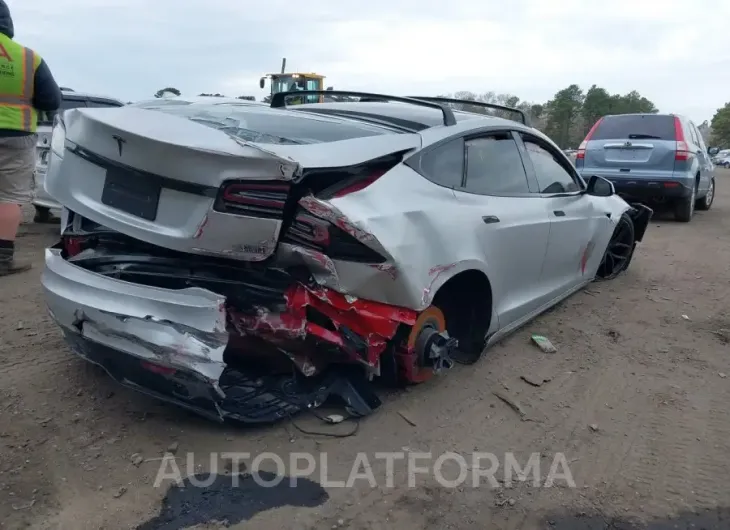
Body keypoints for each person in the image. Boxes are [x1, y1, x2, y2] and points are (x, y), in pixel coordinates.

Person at [0, 0, 61, 276]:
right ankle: (2, 260)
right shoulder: (28, 58)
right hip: (16, 135)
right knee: (9, 197)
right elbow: (51, 100)